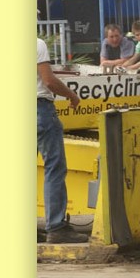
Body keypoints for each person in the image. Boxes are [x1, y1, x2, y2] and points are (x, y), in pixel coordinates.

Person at [38, 37, 88, 244]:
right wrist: (72, 95)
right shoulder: (36, 44)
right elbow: (49, 81)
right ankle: (56, 227)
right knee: (54, 167)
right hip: (39, 109)